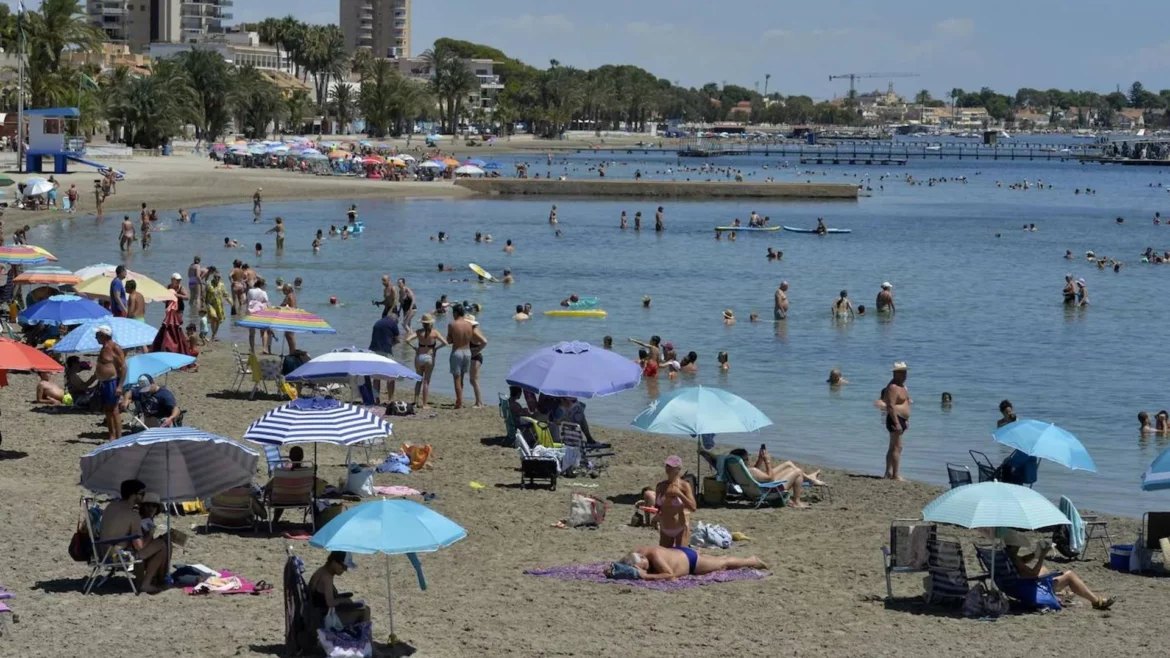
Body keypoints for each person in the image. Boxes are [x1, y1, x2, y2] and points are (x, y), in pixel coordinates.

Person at [1001, 531, 1114, 610]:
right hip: (1028, 589)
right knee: (1070, 575)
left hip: (1013, 587)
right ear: (1015, 546)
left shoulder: (1005, 556)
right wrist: (1042, 556)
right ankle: (1095, 601)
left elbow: (1022, 560)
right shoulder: (1014, 559)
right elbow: (1033, 573)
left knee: (1044, 569)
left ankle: (1061, 592)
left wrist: (1036, 553)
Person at [100, 479, 170, 594]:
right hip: (117, 556)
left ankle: (144, 581)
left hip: (102, 552)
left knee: (146, 547)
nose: (143, 497)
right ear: (133, 495)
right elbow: (139, 547)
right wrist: (150, 533)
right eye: (142, 494)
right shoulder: (133, 515)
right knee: (161, 544)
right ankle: (145, 584)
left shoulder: (110, 507)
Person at [609, 544, 767, 581]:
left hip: (691, 561)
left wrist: (646, 576)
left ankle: (751, 560)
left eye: (645, 567)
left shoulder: (655, 556)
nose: (646, 569)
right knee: (717, 560)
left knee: (723, 564)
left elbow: (670, 576)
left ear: (643, 559)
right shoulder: (635, 552)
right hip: (678, 552)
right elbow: (620, 564)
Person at [730, 446, 821, 507]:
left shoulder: (738, 470)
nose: (748, 461)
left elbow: (753, 474)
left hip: (759, 487)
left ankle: (810, 479)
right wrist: (767, 461)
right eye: (746, 459)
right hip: (769, 491)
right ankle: (797, 501)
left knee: (788, 464)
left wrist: (760, 459)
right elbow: (770, 478)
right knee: (797, 471)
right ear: (742, 460)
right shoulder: (751, 471)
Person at [308, 552, 370, 625]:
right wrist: (344, 600)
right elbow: (330, 603)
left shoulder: (322, 570)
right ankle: (364, 636)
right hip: (324, 617)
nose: (345, 570)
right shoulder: (327, 577)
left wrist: (343, 598)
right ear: (334, 562)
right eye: (344, 567)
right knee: (365, 611)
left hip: (319, 612)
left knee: (364, 608)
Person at [651, 456, 696, 547]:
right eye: (667, 465)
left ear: (678, 469)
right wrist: (655, 511)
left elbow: (693, 507)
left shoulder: (684, 486)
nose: (668, 468)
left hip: (681, 528)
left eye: (671, 466)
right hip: (665, 528)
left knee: (681, 557)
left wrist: (679, 494)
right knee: (666, 558)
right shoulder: (660, 486)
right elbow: (658, 507)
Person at [877, 362, 911, 480]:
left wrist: (907, 419)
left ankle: (888, 473)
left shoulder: (903, 387)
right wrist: (896, 423)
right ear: (896, 374)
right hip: (894, 418)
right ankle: (895, 474)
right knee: (897, 447)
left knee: (894, 447)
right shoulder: (893, 387)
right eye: (902, 372)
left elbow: (906, 403)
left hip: (902, 418)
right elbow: (890, 406)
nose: (905, 375)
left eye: (905, 372)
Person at [406, 314, 447, 409]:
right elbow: (445, 343)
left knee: (418, 380)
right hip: (429, 357)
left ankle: (415, 402)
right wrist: (436, 348)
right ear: (431, 323)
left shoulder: (419, 332)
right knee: (426, 381)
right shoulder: (435, 332)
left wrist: (414, 348)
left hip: (419, 356)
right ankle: (424, 404)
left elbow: (407, 340)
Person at [94, 325, 126, 441]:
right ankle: (111, 436)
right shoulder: (103, 347)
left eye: (97, 335)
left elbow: (123, 367)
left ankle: (119, 437)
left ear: (104, 335)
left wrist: (120, 386)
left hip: (112, 382)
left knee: (114, 410)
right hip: (104, 382)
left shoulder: (115, 348)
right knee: (107, 410)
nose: (95, 337)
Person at [369, 312, 400, 403]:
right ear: (395, 319)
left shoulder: (377, 322)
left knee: (376, 377)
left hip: (373, 351)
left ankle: (377, 399)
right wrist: (391, 344)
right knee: (391, 376)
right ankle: (390, 399)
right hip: (386, 351)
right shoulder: (393, 323)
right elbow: (398, 340)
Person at [447, 305, 473, 409]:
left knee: (456, 379)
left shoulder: (452, 324)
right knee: (461, 378)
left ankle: (459, 402)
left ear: (456, 313)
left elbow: (449, 341)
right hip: (467, 352)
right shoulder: (469, 324)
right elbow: (470, 338)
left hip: (457, 351)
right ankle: (460, 399)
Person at [467, 314, 488, 408]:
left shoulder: (474, 331)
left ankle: (479, 403)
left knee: (474, 380)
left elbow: (485, 341)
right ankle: (479, 402)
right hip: (475, 357)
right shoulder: (472, 330)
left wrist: (476, 351)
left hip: (476, 357)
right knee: (473, 380)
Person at [246, 278, 271, 353]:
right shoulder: (263, 292)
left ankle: (252, 349)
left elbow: (248, 300)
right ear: (262, 285)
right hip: (260, 312)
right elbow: (266, 301)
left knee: (251, 332)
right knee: (264, 331)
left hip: (251, 311)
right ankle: (264, 348)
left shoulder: (250, 290)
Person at [204, 271, 228, 340]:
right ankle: (213, 334)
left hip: (219, 305)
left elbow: (225, 294)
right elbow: (205, 292)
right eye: (215, 277)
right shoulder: (209, 283)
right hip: (210, 304)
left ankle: (214, 335)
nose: (217, 278)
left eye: (218, 277)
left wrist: (229, 302)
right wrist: (203, 302)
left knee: (218, 320)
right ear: (213, 277)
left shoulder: (222, 285)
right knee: (213, 318)